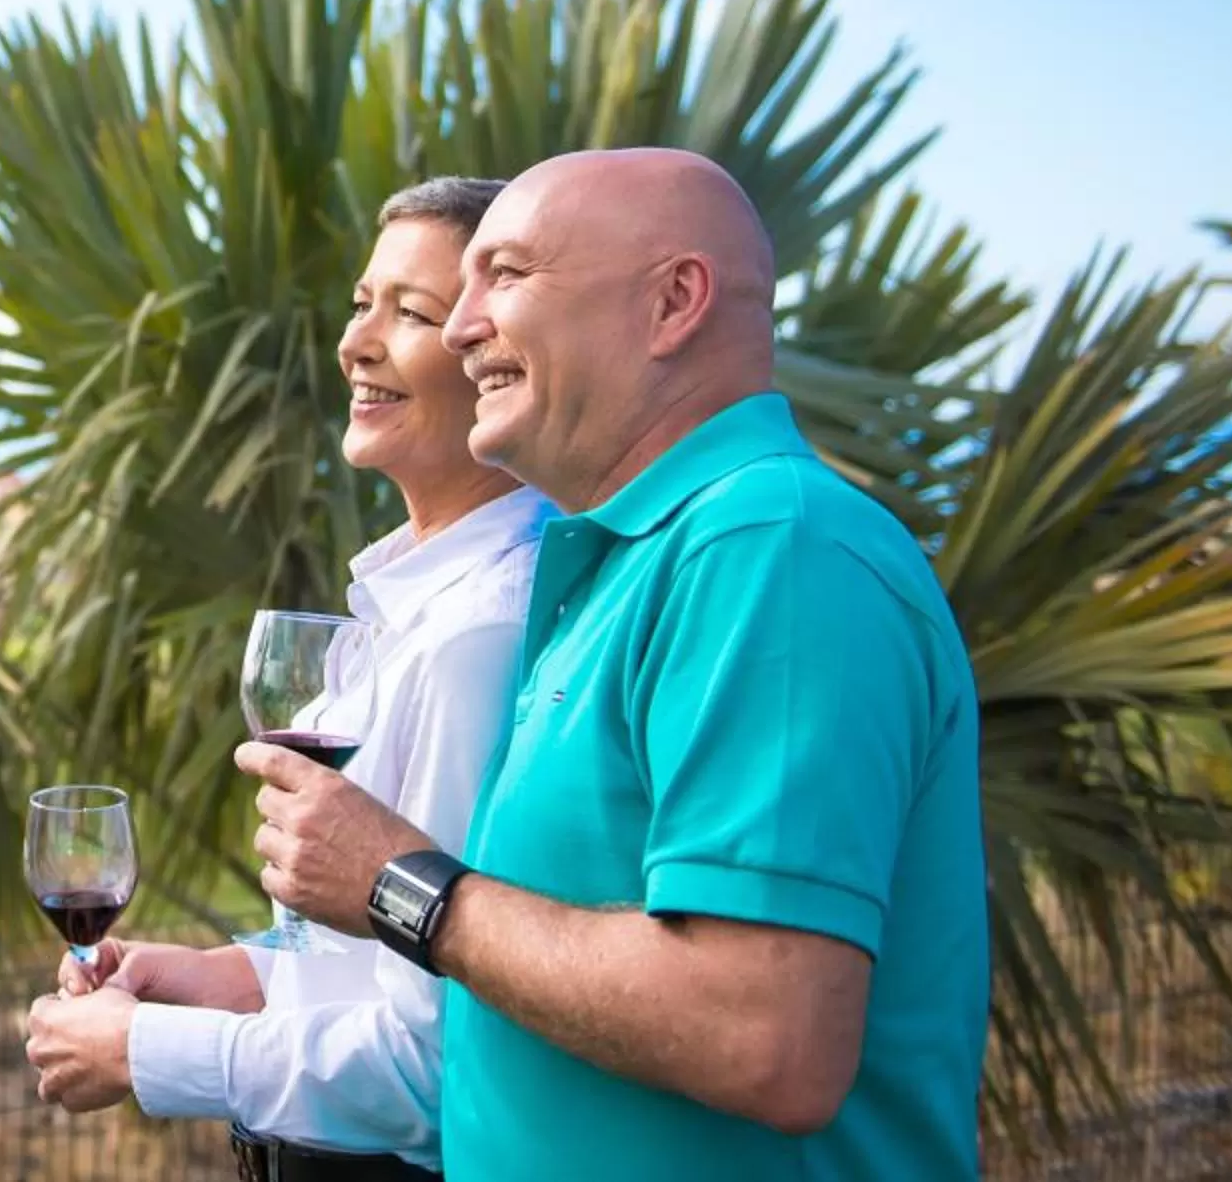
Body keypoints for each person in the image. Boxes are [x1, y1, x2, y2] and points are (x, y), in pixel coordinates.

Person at [236, 149, 987, 1180]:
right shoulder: (632, 565)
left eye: (506, 275)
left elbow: (764, 1035)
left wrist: (397, 882)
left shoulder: (770, 545)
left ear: (674, 302)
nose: (460, 326)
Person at [25, 177, 548, 1179]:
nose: (357, 341)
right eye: (362, 302)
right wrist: (225, 974)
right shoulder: (400, 605)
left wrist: (143, 1049)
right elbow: (376, 964)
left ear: (493, 348)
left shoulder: (477, 637)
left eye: (413, 312)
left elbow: (438, 1063)